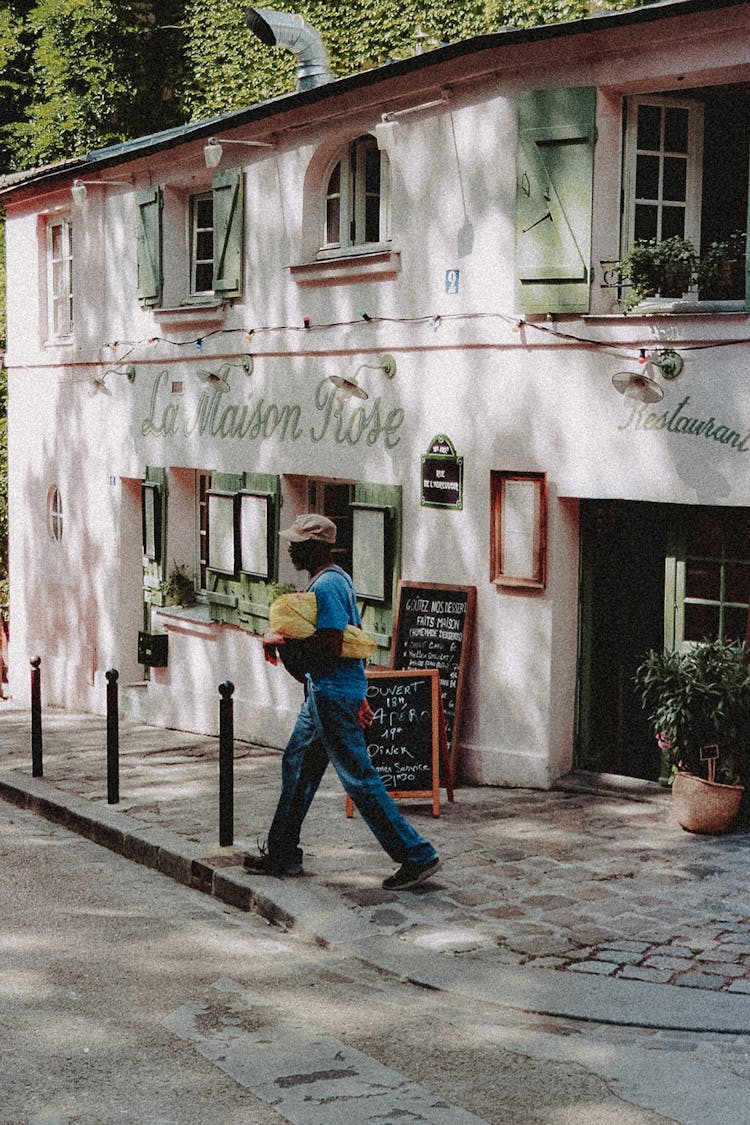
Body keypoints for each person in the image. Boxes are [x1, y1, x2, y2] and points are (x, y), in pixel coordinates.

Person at [243, 513, 441, 890]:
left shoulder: (327, 587)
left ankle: (417, 855)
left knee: (360, 779)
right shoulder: (336, 579)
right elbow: (354, 642)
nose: (290, 548)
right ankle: (282, 852)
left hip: (331, 694)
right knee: (298, 765)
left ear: (316, 547)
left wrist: (285, 643)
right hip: (326, 692)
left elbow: (333, 643)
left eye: (297, 543)